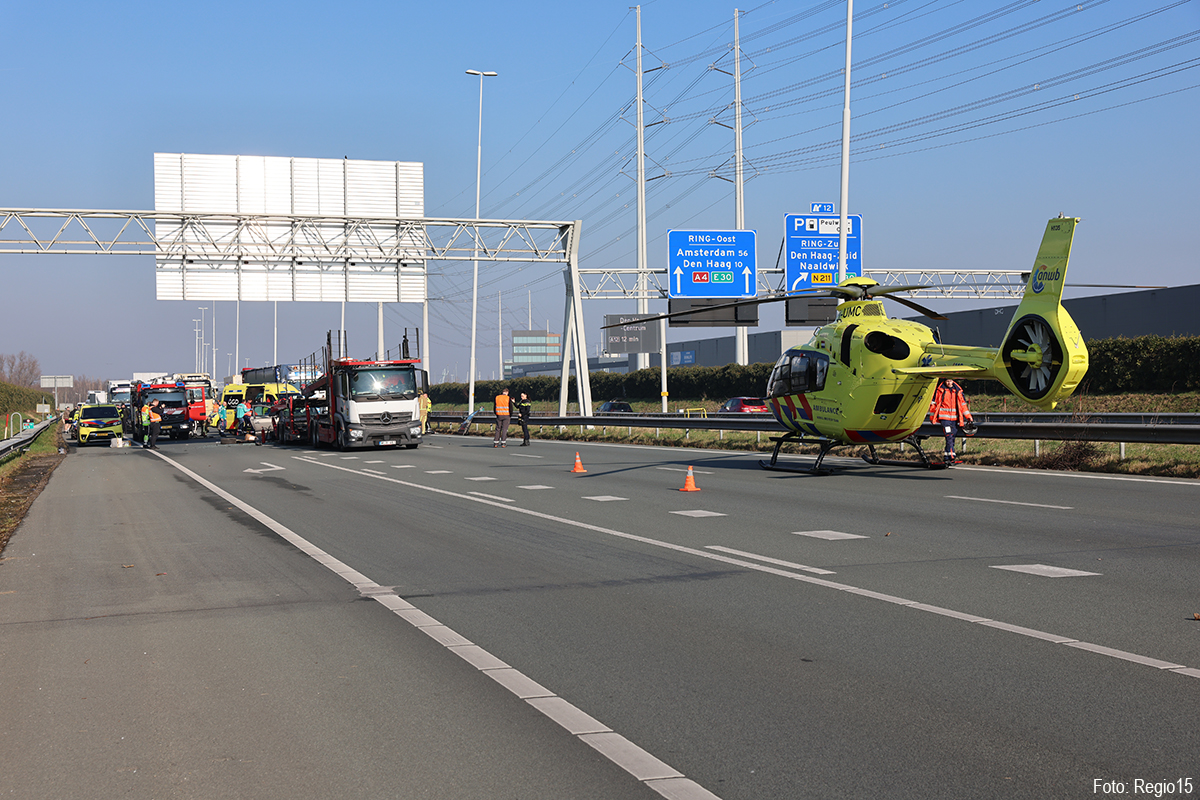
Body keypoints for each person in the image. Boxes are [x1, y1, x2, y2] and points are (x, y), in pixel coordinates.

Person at [929, 378, 973, 464]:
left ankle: (947, 456)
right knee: (948, 435)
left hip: (955, 419)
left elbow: (963, 405)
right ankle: (952, 455)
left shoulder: (958, 391)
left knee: (952, 436)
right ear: (945, 381)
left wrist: (968, 416)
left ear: (953, 381)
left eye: (950, 381)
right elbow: (933, 404)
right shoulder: (940, 391)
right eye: (947, 381)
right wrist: (932, 417)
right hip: (944, 419)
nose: (949, 383)